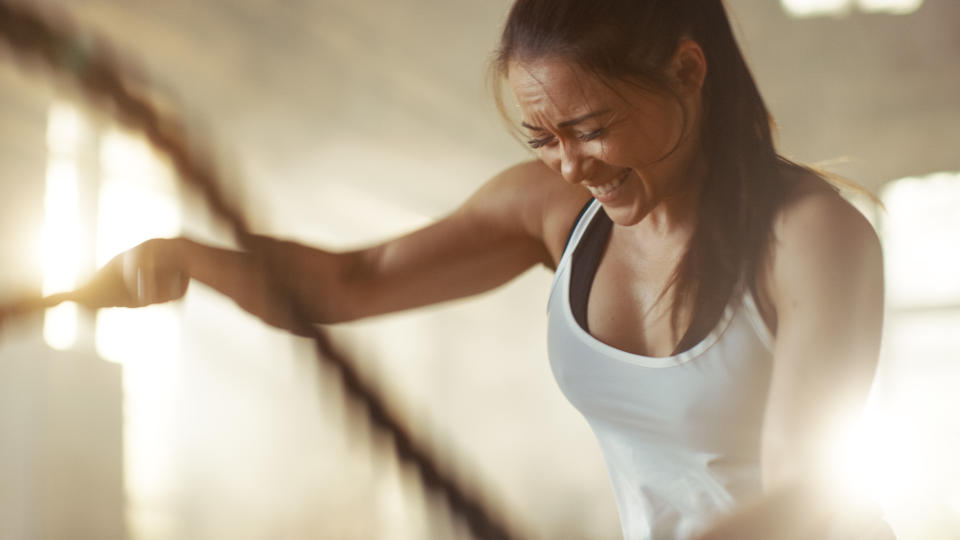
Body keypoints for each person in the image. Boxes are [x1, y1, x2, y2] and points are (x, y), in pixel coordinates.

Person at [63, 0, 891, 538]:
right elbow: (352, 282)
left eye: (594, 127)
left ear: (687, 72)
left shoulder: (814, 238)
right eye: (544, 138)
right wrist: (183, 258)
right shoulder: (552, 212)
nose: (570, 166)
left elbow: (804, 496)